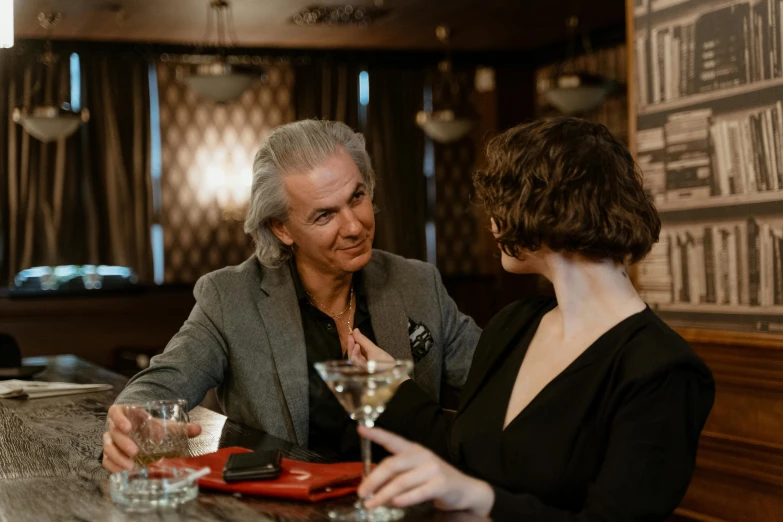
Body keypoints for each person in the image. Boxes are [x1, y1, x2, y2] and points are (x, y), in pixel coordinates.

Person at [348, 118, 715, 521]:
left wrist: (483, 500)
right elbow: (463, 452)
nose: (492, 223)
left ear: (546, 212)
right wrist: (390, 385)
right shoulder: (516, 323)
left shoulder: (662, 370)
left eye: (501, 205)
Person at [101, 120, 480, 473]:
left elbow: (500, 383)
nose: (354, 226)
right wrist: (129, 422)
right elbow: (159, 384)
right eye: (325, 216)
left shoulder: (416, 282)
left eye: (357, 197)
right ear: (281, 228)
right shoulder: (231, 297)